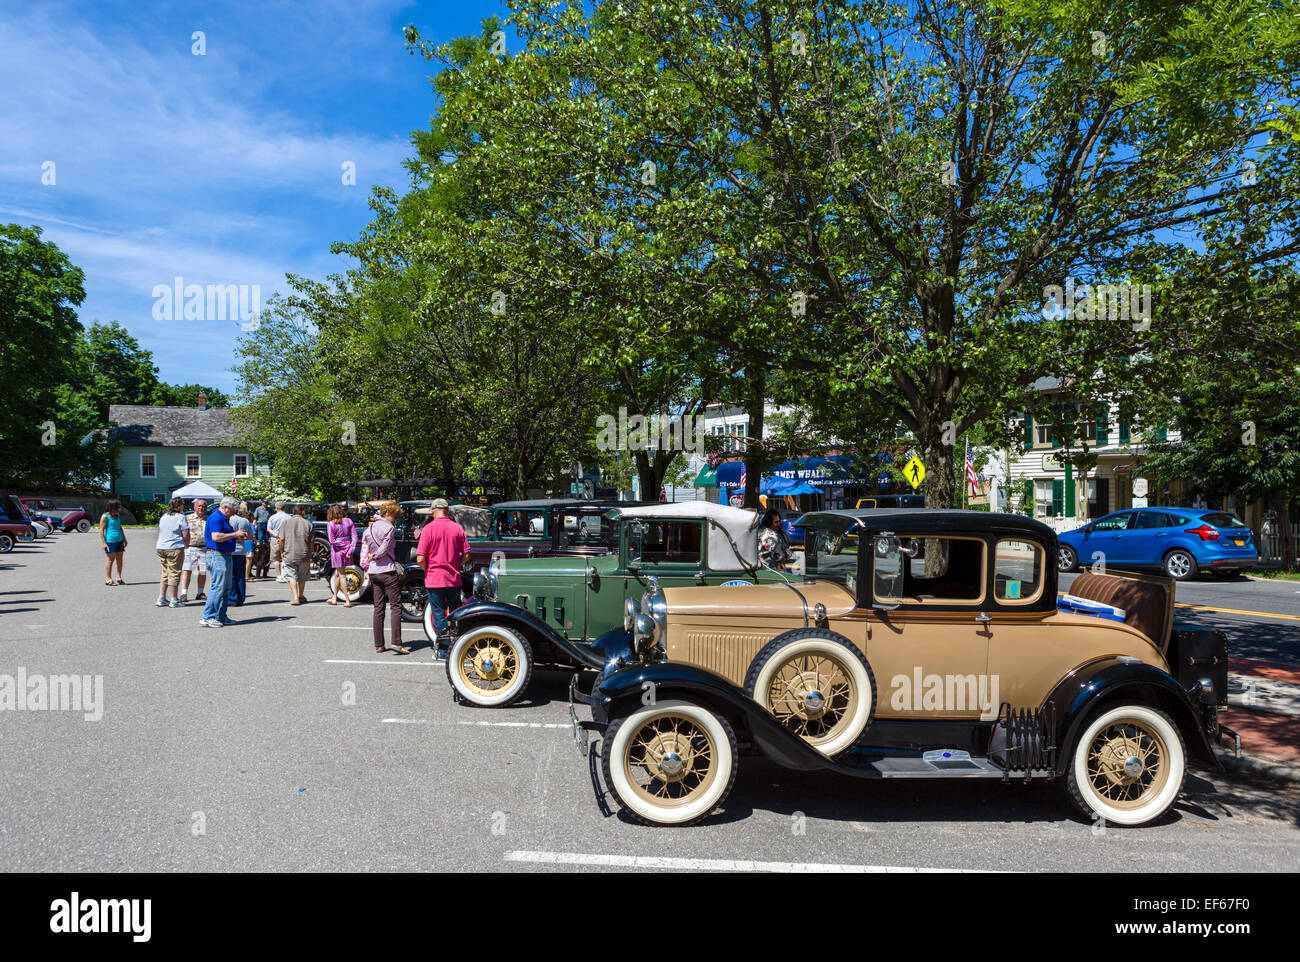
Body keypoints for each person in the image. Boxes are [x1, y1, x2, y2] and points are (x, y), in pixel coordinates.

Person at [415, 498, 470, 656]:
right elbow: (466, 554)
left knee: (438, 614)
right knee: (456, 612)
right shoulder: (457, 528)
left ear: (433, 511)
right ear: (447, 511)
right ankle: (459, 646)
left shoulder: (428, 529)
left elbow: (419, 558)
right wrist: (457, 565)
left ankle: (444, 649)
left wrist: (428, 568)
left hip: (435, 577)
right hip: (453, 577)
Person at [363, 500, 407, 654]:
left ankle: (379, 644)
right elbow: (385, 547)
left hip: (374, 572)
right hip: (388, 570)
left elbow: (364, 549)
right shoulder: (389, 528)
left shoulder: (369, 528)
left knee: (378, 608)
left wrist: (366, 564)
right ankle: (396, 642)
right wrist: (375, 556)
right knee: (395, 606)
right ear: (389, 514)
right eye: (395, 516)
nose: (396, 519)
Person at [201, 496, 249, 627]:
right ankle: (208, 616)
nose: (235, 513)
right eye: (234, 510)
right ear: (226, 507)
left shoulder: (225, 518)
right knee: (218, 587)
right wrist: (234, 535)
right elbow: (215, 537)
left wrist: (236, 537)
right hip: (217, 555)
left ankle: (221, 616)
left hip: (225, 555)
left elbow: (223, 536)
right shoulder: (216, 517)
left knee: (226, 588)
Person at [155, 497, 190, 607]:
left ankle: (161, 597)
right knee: (174, 573)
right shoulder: (181, 517)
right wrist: (187, 544)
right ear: (179, 506)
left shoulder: (164, 516)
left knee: (165, 572)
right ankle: (174, 599)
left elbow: (160, 531)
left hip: (161, 547)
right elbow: (185, 534)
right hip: (174, 547)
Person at [278, 504, 314, 605]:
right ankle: (301, 595)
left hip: (290, 553)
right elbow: (311, 541)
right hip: (304, 554)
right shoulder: (308, 523)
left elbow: (281, 540)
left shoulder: (286, 523)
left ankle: (295, 597)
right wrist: (310, 553)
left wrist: (281, 552)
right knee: (302, 576)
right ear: (302, 512)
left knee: (291, 575)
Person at [325, 503, 358, 607]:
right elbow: (355, 537)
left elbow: (332, 541)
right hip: (348, 549)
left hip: (338, 551)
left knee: (342, 575)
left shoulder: (331, 524)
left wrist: (344, 548)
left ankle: (347, 600)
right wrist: (349, 549)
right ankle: (334, 597)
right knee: (337, 574)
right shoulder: (349, 521)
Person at [179, 498, 208, 602]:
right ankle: (184, 594)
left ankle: (200, 592)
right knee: (187, 571)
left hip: (204, 548)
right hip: (190, 547)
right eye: (199, 506)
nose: (201, 508)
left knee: (203, 572)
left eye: (203, 506)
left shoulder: (207, 519)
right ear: (194, 507)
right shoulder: (187, 518)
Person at [226, 502, 254, 606]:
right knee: (240, 575)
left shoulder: (229, 519)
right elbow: (251, 536)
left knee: (231, 576)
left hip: (230, 549)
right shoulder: (245, 521)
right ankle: (241, 597)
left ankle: (232, 598)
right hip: (241, 550)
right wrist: (242, 537)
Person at [99, 499, 127, 586]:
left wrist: (124, 539)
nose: (120, 508)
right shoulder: (105, 517)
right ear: (113, 507)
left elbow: (119, 527)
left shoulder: (117, 515)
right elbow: (101, 530)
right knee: (110, 560)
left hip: (119, 540)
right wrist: (104, 543)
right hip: (110, 541)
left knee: (120, 559)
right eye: (118, 507)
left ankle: (119, 577)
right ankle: (108, 579)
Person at [267, 501, 290, 581]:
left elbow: (269, 529)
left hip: (275, 539)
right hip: (286, 539)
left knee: (276, 559)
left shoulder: (272, 517)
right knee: (286, 557)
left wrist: (276, 535)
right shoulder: (288, 517)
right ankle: (285, 574)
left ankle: (279, 575)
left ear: (276, 508)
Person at [252, 500, 270, 577]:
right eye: (265, 503)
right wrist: (255, 523)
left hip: (267, 524)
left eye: (267, 503)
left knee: (266, 537)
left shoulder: (269, 509)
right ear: (262, 503)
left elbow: (271, 515)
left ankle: (265, 547)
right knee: (260, 537)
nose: (266, 504)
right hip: (260, 523)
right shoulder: (258, 509)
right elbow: (255, 517)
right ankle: (260, 546)